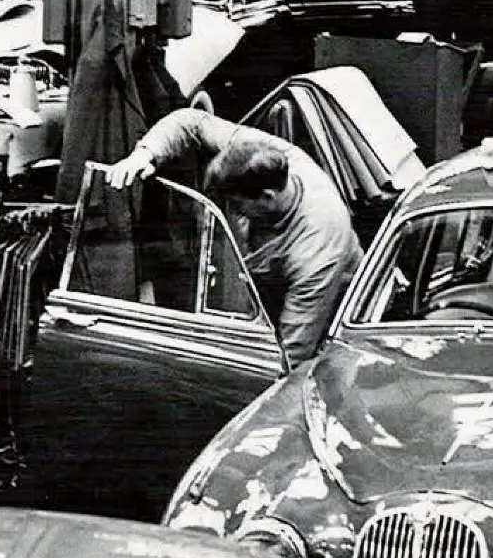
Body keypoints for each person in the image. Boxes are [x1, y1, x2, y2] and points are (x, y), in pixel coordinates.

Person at [106, 109, 360, 366]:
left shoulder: (316, 252)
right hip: (268, 294)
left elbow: (291, 352)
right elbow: (191, 122)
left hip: (326, 321)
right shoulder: (264, 154)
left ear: (267, 198)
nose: (232, 210)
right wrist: (145, 154)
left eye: (236, 205)